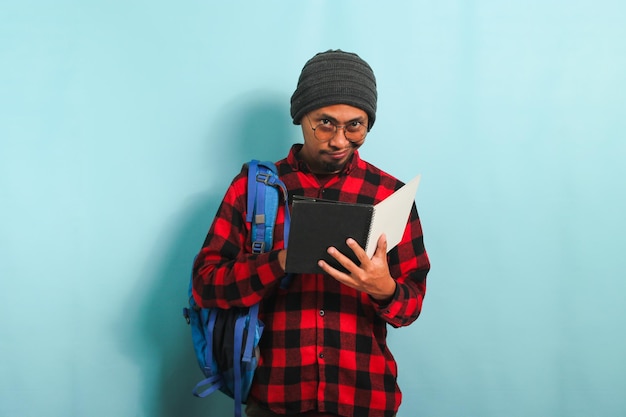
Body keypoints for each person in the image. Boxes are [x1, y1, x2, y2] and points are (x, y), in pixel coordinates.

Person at [192, 50, 430, 417]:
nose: (339, 140)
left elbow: (411, 304)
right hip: (274, 400)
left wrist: (384, 289)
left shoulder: (389, 197)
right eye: (325, 123)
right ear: (300, 116)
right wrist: (280, 262)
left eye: (355, 125)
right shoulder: (253, 189)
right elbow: (205, 285)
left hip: (362, 399)